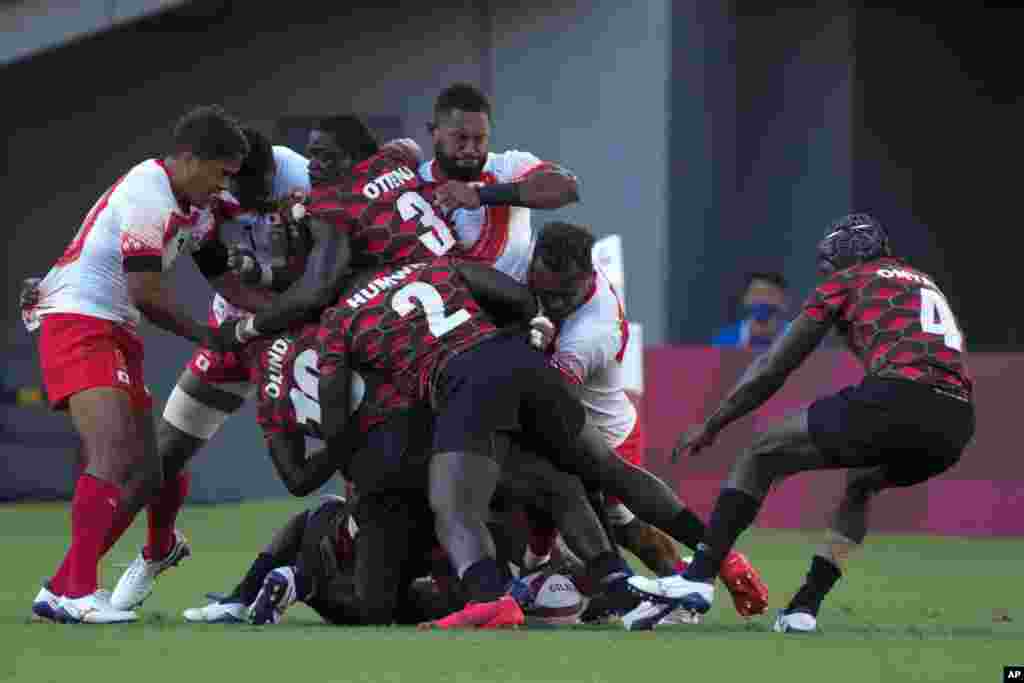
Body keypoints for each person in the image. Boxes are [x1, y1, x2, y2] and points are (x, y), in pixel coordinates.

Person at [626, 213, 975, 633]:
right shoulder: (922, 280)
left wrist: (714, 423)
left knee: (761, 454)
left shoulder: (847, 280)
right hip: (956, 421)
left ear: (841, 259)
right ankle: (803, 609)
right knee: (862, 484)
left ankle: (697, 578)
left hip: (900, 397)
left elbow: (775, 366)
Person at [24, 105, 250, 624]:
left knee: (151, 469)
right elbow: (146, 293)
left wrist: (269, 316)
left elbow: (220, 275)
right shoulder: (148, 192)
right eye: (219, 171)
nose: (224, 184)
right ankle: (75, 594)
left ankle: (154, 548)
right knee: (112, 456)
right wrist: (211, 336)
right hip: (77, 321)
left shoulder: (199, 204)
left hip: (115, 330)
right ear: (189, 160)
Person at [106, 126, 312, 612]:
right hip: (234, 331)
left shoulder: (302, 175)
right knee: (165, 453)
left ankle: (290, 583)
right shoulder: (203, 195)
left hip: (295, 338)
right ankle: (150, 553)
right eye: (227, 184)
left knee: (332, 457)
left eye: (248, 187)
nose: (231, 194)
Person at [523, 221, 768, 626]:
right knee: (604, 523)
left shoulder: (589, 335)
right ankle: (683, 576)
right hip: (586, 421)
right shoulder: (541, 268)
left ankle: (659, 587)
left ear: (588, 277)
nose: (554, 303)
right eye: (546, 292)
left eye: (565, 295)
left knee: (610, 524)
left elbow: (547, 405)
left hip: (599, 434)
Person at [422, 82, 580, 282]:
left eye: (480, 139)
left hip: (519, 308)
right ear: (433, 132)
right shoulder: (412, 184)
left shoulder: (509, 166)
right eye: (460, 138)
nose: (470, 149)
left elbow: (567, 188)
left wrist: (481, 195)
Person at [712, 272, 791, 352]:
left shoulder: (795, 335)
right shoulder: (725, 339)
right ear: (746, 299)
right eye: (757, 293)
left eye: (770, 294)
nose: (762, 299)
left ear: (784, 302)